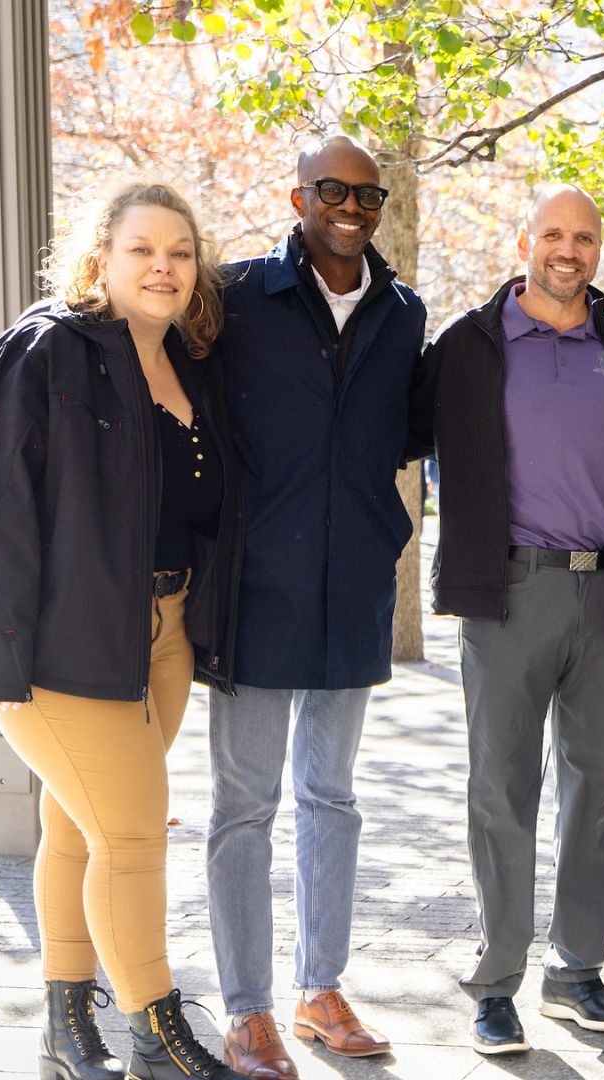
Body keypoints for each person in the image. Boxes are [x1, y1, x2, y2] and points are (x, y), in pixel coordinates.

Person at [0, 181, 249, 1080]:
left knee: (81, 830)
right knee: (135, 832)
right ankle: (156, 1038)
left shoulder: (191, 364)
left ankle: (64, 1021)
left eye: (181, 252)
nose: (163, 266)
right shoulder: (40, 353)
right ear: (99, 258)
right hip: (57, 643)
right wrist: (2, 665)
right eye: (142, 249)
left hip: (160, 634)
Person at [204, 135, 427, 1079]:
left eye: (365, 195)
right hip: (256, 590)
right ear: (297, 196)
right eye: (331, 190)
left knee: (331, 797)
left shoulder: (403, 312)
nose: (349, 207)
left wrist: (388, 532)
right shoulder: (236, 296)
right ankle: (247, 1010)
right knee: (244, 806)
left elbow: (411, 432)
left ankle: (318, 987)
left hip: (352, 588)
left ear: (380, 208)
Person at [411, 185, 604, 1053]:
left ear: (598, 250)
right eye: (552, 233)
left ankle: (576, 971)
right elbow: (388, 436)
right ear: (524, 242)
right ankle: (497, 981)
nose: (568, 249)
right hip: (507, 590)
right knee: (502, 791)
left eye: (584, 236)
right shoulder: (469, 348)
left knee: (595, 789)